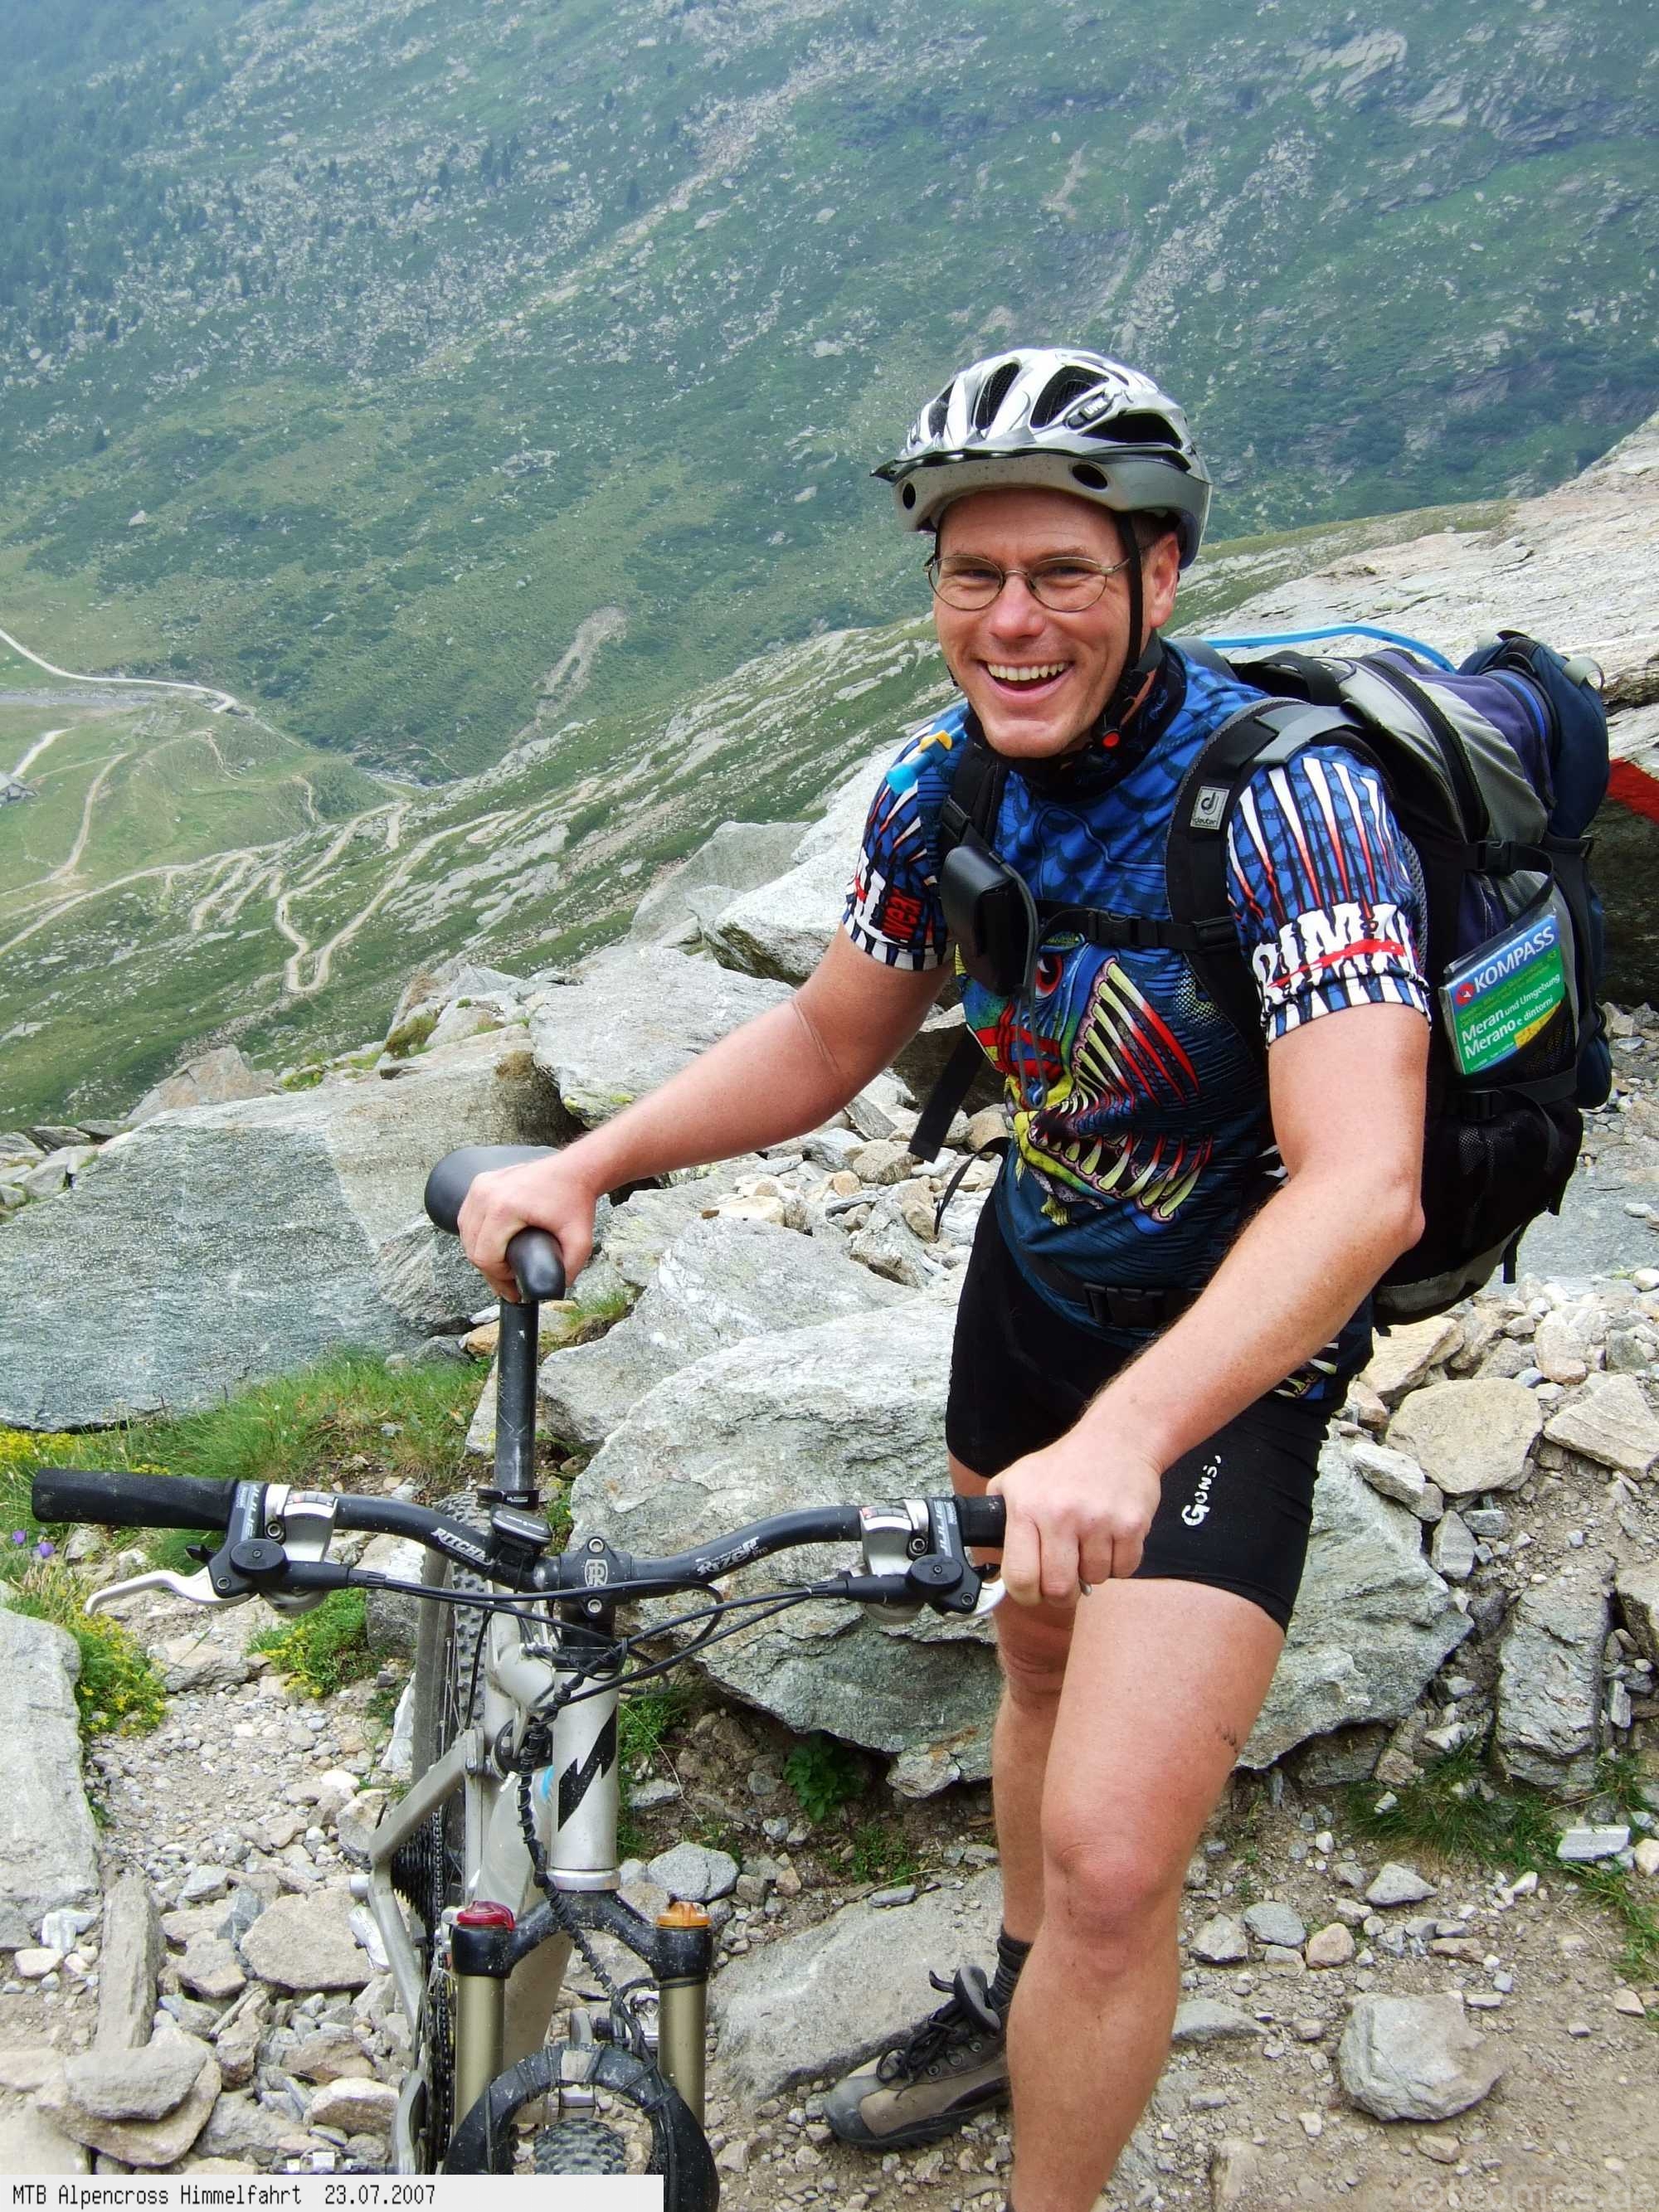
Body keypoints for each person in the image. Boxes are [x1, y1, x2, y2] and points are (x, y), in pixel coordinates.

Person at [459, 346, 1430, 2212]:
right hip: (1033, 1297)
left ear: (1159, 573)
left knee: (1117, 1865)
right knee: (1035, 1657)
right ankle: (1012, 1993)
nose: (1012, 619)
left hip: (1222, 1368)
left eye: (1062, 572)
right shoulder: (939, 790)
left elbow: (1364, 1184)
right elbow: (831, 1037)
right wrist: (588, 1161)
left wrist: (1133, 1434)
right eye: (973, 574)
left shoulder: (1294, 807)